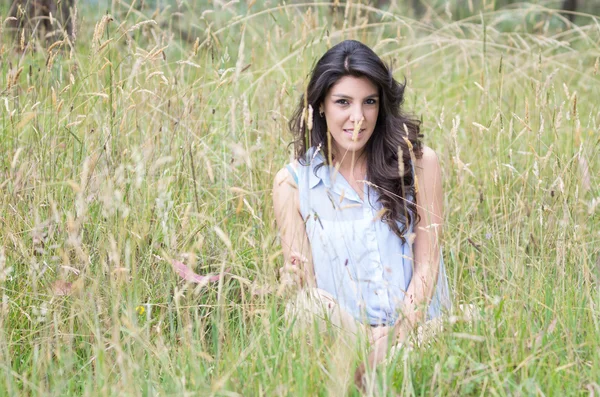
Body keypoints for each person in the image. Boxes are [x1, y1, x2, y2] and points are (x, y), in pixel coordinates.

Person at [272, 40, 452, 389]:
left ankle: (378, 374)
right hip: (347, 338)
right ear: (321, 106)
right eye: (343, 102)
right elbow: (306, 285)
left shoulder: (418, 163)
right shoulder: (293, 183)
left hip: (416, 331)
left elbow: (427, 263)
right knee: (306, 307)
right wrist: (290, 278)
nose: (358, 117)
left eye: (369, 102)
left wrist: (398, 332)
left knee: (475, 322)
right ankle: (365, 375)